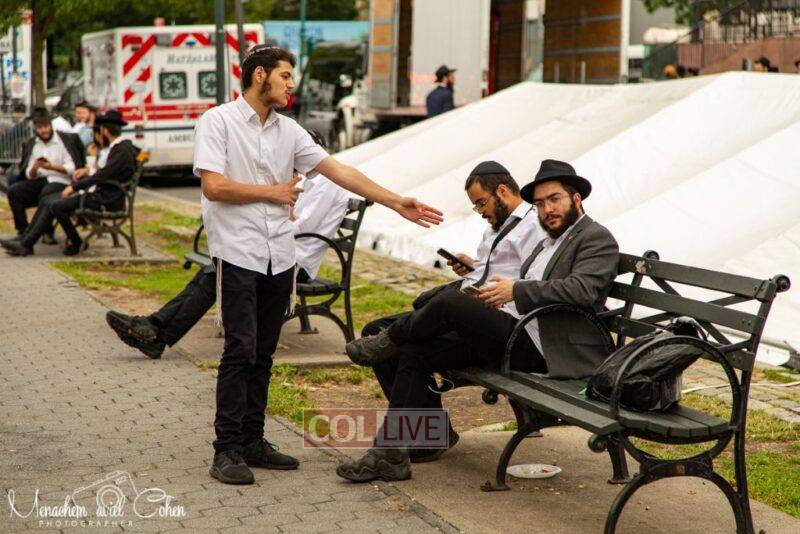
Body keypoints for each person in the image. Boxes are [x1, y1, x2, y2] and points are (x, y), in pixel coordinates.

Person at [193, 44, 442, 485]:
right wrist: (272, 192)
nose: (292, 84)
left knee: (264, 352)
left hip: (280, 255)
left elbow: (339, 171)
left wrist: (394, 201)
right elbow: (213, 186)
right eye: (285, 75)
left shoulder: (289, 131)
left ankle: (252, 440)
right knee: (240, 350)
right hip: (237, 252)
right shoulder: (218, 121)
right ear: (259, 76)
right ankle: (226, 449)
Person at [337, 159, 619, 483]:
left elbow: (583, 291)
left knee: (450, 303)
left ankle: (390, 339)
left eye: (554, 199)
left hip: (547, 349)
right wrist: (491, 282)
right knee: (414, 350)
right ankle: (392, 454)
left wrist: (516, 290)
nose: (546, 209)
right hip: (518, 330)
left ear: (576, 198)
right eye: (541, 203)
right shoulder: (550, 240)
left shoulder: (595, 238)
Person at [104, 131, 351, 360]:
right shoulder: (312, 180)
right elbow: (289, 218)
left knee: (218, 274)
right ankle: (155, 330)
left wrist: (271, 219)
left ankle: (155, 331)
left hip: (296, 262)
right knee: (216, 268)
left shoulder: (327, 184)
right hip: (277, 252)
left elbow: (301, 228)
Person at [2, 109, 138, 257]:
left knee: (56, 205)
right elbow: (104, 172)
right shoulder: (118, 148)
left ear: (104, 130)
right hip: (99, 195)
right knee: (48, 201)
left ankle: (45, 243)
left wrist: (74, 187)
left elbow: (102, 175)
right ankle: (26, 241)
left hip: (105, 200)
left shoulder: (121, 150)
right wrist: (87, 170)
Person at [1, 107, 83, 249]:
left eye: (45, 126)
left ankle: (45, 232)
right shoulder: (33, 144)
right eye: (39, 128)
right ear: (35, 128)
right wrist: (34, 168)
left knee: (46, 192)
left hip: (60, 180)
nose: (43, 130)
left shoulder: (63, 141)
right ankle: (23, 231)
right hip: (40, 180)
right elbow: (28, 174)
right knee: (14, 191)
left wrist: (52, 167)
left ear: (50, 125)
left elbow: (71, 168)